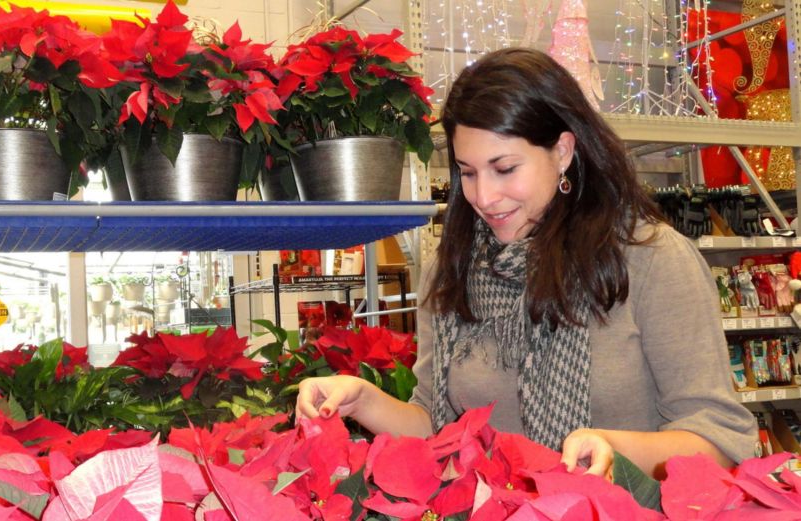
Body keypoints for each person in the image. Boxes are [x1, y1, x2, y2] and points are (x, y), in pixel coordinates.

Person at [296, 47, 756, 478]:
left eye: (505, 168)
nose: (483, 197)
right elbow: (437, 426)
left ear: (562, 151)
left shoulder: (651, 261)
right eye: (468, 173)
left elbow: (720, 437)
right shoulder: (455, 267)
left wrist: (618, 449)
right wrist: (363, 402)